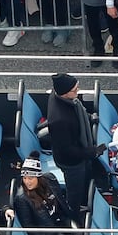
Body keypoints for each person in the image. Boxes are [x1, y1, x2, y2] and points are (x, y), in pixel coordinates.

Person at [46, 72, 96, 218]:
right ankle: (73, 217)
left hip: (80, 152)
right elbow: (67, 150)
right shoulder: (59, 120)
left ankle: (85, 202)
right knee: (74, 192)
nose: (77, 92)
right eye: (74, 90)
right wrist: (90, 152)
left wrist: (90, 118)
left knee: (85, 178)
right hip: (71, 163)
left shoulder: (60, 96)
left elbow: (79, 114)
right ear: (64, 93)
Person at [11, 153, 76, 235]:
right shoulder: (22, 199)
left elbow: (61, 201)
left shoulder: (50, 179)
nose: (27, 182)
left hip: (62, 220)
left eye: (30, 178)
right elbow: (29, 227)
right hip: (48, 232)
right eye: (24, 178)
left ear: (39, 177)